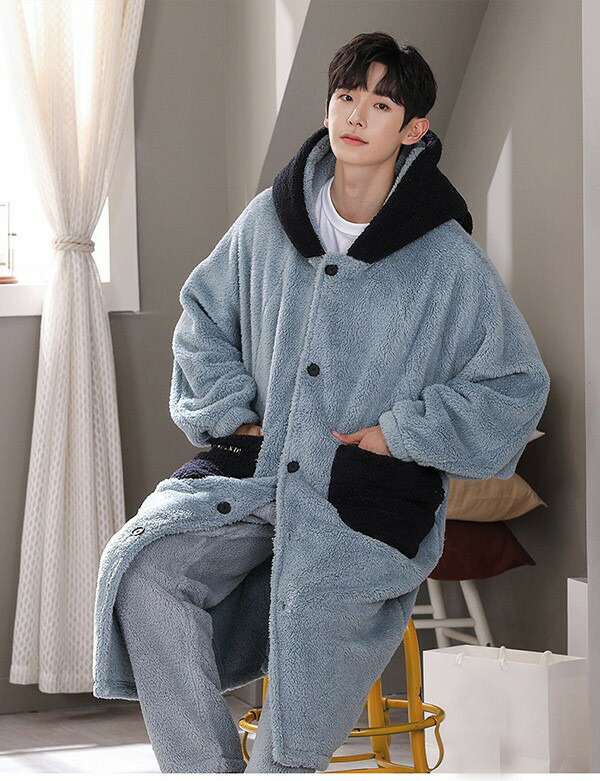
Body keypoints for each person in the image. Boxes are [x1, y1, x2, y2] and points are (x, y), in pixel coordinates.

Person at [92, 31, 550, 773]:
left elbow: (515, 384)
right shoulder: (269, 223)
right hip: (258, 475)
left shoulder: (445, 259)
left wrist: (400, 433)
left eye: (381, 104)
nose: (357, 115)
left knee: (303, 675)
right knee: (143, 570)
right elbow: (202, 318)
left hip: (358, 499)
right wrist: (232, 415)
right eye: (346, 96)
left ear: (413, 130)